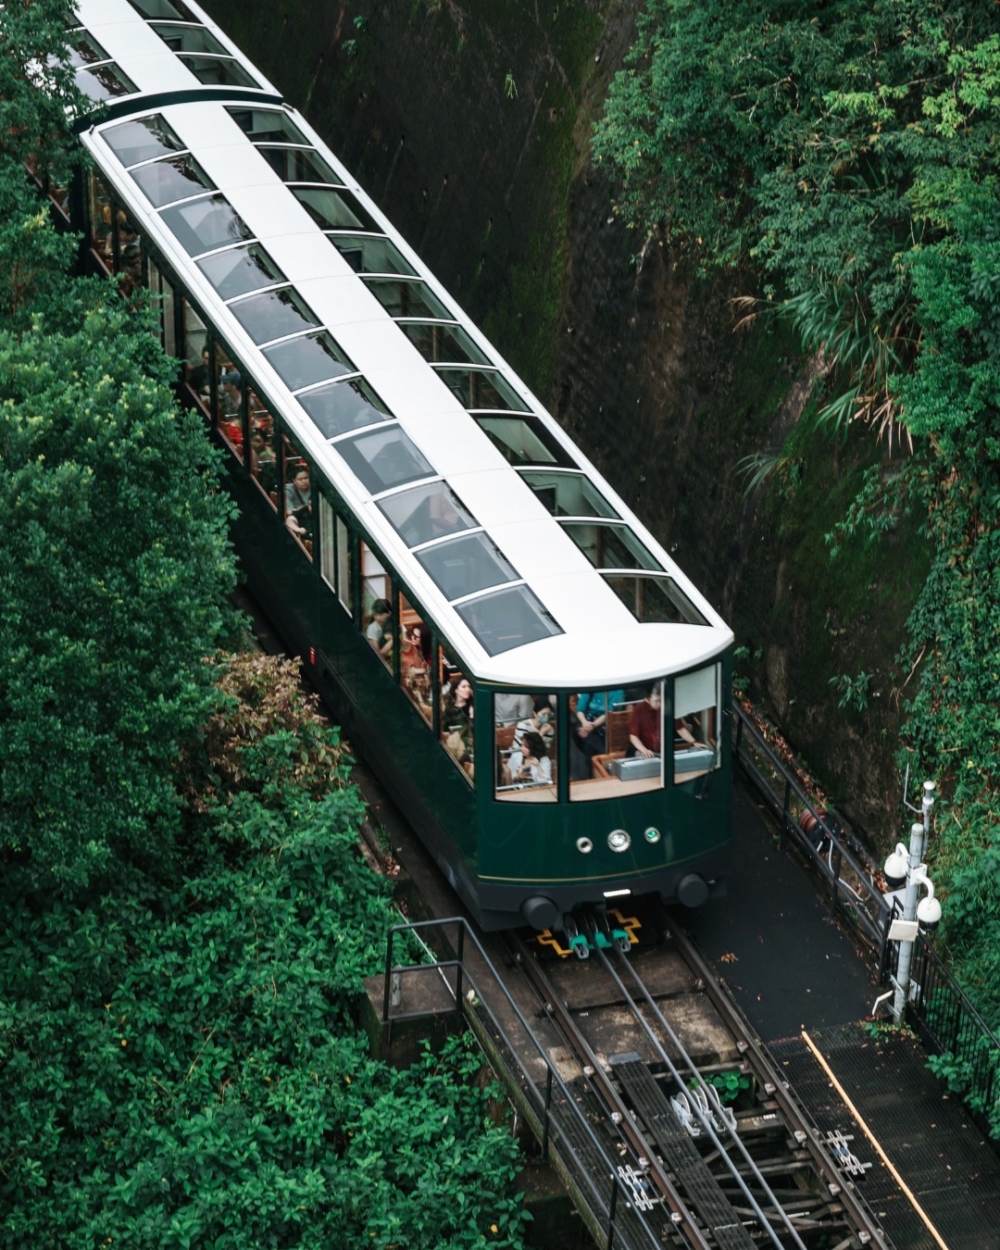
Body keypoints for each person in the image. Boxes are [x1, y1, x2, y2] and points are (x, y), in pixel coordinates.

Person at [573, 688, 625, 759]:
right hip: (587, 721)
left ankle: (596, 762)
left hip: (605, 724)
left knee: (590, 742)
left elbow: (608, 713)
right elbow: (579, 709)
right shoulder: (592, 685)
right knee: (578, 732)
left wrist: (593, 726)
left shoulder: (617, 691)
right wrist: (585, 723)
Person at [628, 685, 662, 758]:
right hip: (643, 751)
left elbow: (679, 728)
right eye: (656, 701)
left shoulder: (665, 707)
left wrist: (693, 742)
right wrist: (644, 750)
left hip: (661, 751)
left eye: (661, 701)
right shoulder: (639, 709)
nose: (660, 704)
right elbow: (633, 736)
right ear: (648, 699)